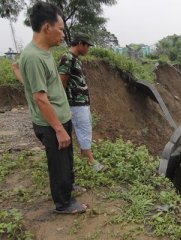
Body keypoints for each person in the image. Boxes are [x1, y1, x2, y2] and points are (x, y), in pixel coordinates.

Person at [13, 1, 87, 214]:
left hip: (60, 117)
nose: (63, 35)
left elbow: (27, 78)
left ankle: (69, 188)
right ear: (47, 27)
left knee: (66, 161)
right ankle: (63, 204)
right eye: (61, 29)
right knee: (59, 165)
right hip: (51, 123)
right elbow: (40, 98)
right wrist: (58, 128)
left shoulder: (41, 52)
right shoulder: (34, 57)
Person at [58, 33, 105, 172]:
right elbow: (62, 82)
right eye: (87, 46)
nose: (88, 49)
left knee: (85, 128)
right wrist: (63, 103)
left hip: (81, 102)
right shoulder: (67, 58)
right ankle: (91, 162)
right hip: (75, 103)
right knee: (83, 129)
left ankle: (84, 157)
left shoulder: (75, 59)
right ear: (80, 44)